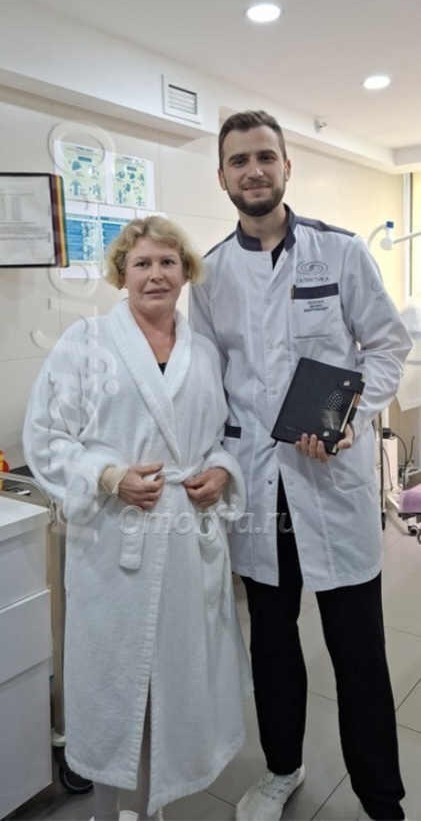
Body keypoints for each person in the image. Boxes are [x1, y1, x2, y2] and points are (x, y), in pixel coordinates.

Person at [189, 110, 412, 821]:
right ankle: (281, 769)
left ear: (286, 167)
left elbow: (386, 346)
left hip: (330, 481)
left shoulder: (338, 252)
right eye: (238, 160)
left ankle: (381, 798)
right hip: (257, 489)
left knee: (358, 652)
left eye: (264, 157)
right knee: (274, 647)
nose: (252, 170)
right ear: (222, 176)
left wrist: (348, 417)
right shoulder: (210, 273)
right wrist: (210, 461)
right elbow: (206, 386)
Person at [23, 216, 252, 821]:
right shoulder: (87, 342)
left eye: (168, 263)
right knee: (114, 684)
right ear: (122, 273)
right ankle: (107, 811)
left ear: (186, 272)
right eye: (142, 263)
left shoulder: (204, 353)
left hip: (185, 539)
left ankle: (153, 807)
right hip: (113, 540)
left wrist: (221, 471)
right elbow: (46, 435)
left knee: (172, 682)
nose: (156, 275)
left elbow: (219, 437)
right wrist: (107, 476)